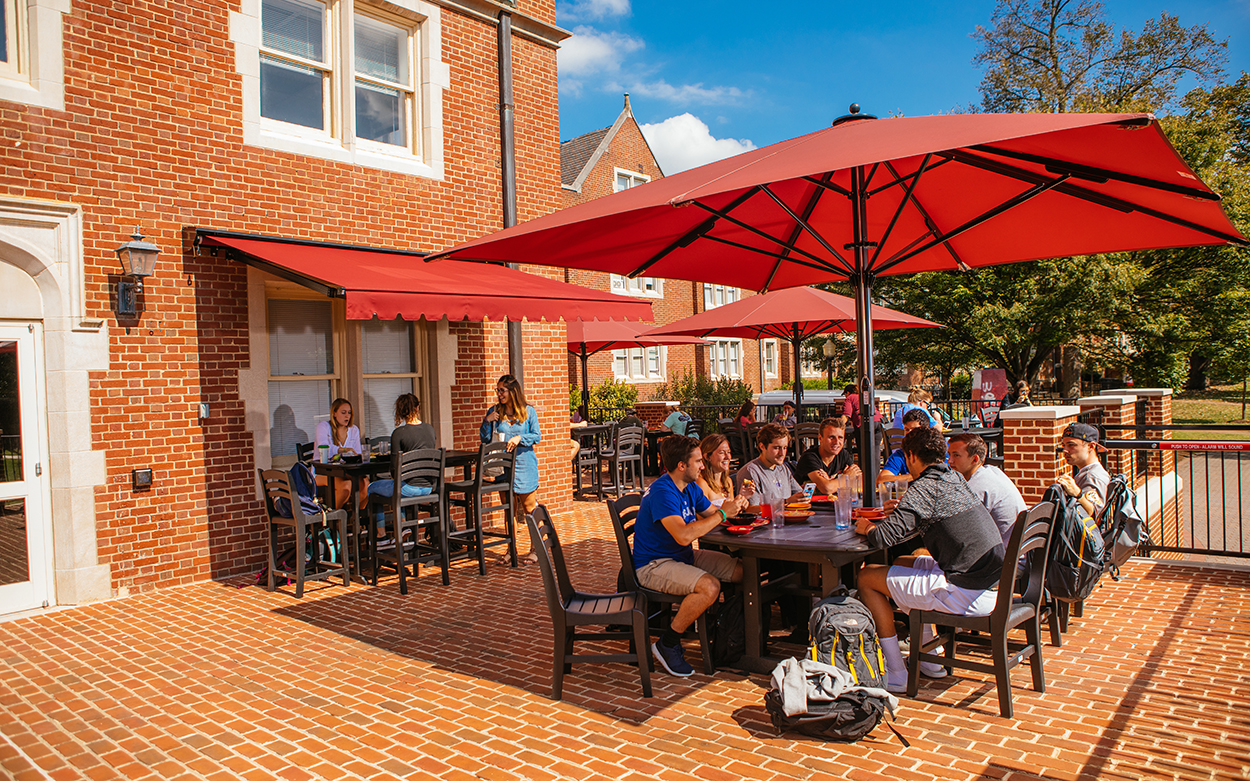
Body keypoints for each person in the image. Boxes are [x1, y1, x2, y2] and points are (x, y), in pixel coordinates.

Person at [854, 427, 1006, 692]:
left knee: (867, 577)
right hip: (989, 583)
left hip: (964, 591)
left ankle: (896, 672)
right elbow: (937, 517)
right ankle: (930, 660)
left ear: (911, 456)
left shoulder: (924, 487)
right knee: (902, 562)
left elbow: (881, 538)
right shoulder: (954, 477)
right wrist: (905, 510)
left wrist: (865, 527)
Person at [634, 436, 746, 676]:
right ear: (681, 466)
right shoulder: (664, 492)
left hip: (681, 556)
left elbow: (713, 513)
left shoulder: (690, 487)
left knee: (741, 570)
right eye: (698, 461)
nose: (702, 466)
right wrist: (722, 516)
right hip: (654, 564)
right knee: (710, 587)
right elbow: (683, 535)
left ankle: (729, 630)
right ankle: (668, 643)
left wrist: (739, 512)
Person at [365, 394, 436, 545]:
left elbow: (394, 469)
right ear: (417, 408)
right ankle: (403, 527)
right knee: (398, 486)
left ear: (400, 411)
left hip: (408, 488)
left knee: (372, 488)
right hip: (429, 487)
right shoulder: (430, 429)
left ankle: (381, 536)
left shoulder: (399, 433)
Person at [480, 375, 543, 527]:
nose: (499, 394)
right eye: (497, 390)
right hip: (503, 467)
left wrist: (519, 438)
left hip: (524, 465)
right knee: (509, 510)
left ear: (513, 391)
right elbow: (486, 440)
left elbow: (536, 436)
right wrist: (487, 421)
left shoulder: (528, 411)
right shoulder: (494, 411)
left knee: (529, 508)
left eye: (502, 390)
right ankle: (511, 550)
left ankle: (537, 549)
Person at [948, 433, 1026, 548]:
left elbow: (957, 534)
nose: (950, 461)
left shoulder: (975, 489)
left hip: (1001, 559)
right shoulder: (993, 471)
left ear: (974, 459)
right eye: (949, 455)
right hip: (1020, 554)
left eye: (956, 455)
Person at [735, 422, 804, 513]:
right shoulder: (751, 472)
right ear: (762, 446)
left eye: (785, 448)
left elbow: (799, 494)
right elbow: (750, 509)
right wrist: (785, 503)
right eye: (776, 448)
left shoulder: (783, 468)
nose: (782, 453)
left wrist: (804, 497)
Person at [313, 398, 362, 508]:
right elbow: (324, 447)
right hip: (323, 471)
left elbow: (357, 452)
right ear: (334, 413)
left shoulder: (353, 430)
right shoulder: (323, 426)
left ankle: (357, 519)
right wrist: (343, 450)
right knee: (345, 486)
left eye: (349, 413)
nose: (347, 416)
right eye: (343, 412)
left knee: (365, 484)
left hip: (346, 471)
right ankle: (331, 519)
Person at [1055, 422, 1110, 519]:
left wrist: (1077, 493)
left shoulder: (1092, 476)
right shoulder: (1087, 472)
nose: (1065, 450)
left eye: (1071, 445)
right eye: (1063, 445)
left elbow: (1093, 514)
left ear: (1091, 446)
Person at [795, 417, 861, 496]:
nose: (836, 442)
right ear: (820, 438)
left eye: (840, 437)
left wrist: (831, 482)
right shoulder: (809, 457)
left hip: (832, 504)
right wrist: (846, 477)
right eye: (831, 437)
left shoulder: (842, 454)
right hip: (806, 505)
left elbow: (860, 483)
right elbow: (826, 489)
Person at [694, 433, 756, 507]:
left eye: (729, 452)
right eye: (722, 453)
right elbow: (702, 517)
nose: (728, 457)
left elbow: (732, 514)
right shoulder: (701, 483)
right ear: (707, 456)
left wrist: (742, 498)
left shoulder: (727, 482)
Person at [878, 408, 932, 485]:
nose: (909, 433)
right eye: (907, 429)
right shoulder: (901, 454)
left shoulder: (935, 451)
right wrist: (918, 476)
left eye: (914, 429)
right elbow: (881, 480)